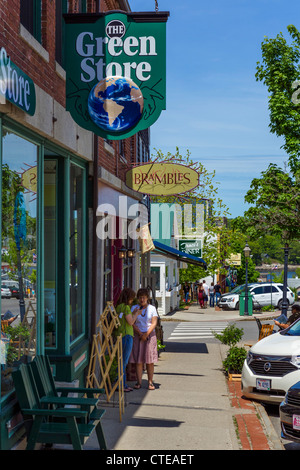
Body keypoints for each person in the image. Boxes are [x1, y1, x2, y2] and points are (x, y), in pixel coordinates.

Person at [129, 288, 158, 390]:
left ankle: (150, 382)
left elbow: (154, 323)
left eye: (144, 298)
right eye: (140, 297)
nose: (142, 300)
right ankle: (139, 382)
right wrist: (140, 333)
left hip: (149, 336)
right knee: (139, 360)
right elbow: (132, 323)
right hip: (138, 336)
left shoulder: (152, 308)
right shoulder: (134, 308)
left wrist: (146, 334)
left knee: (149, 361)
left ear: (147, 298)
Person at [114, 288, 142, 392]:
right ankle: (121, 385)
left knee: (120, 360)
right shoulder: (125, 307)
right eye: (132, 298)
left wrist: (133, 312)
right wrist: (136, 314)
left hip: (119, 335)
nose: (132, 300)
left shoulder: (119, 307)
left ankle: (122, 384)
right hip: (126, 335)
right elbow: (130, 322)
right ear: (129, 297)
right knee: (123, 361)